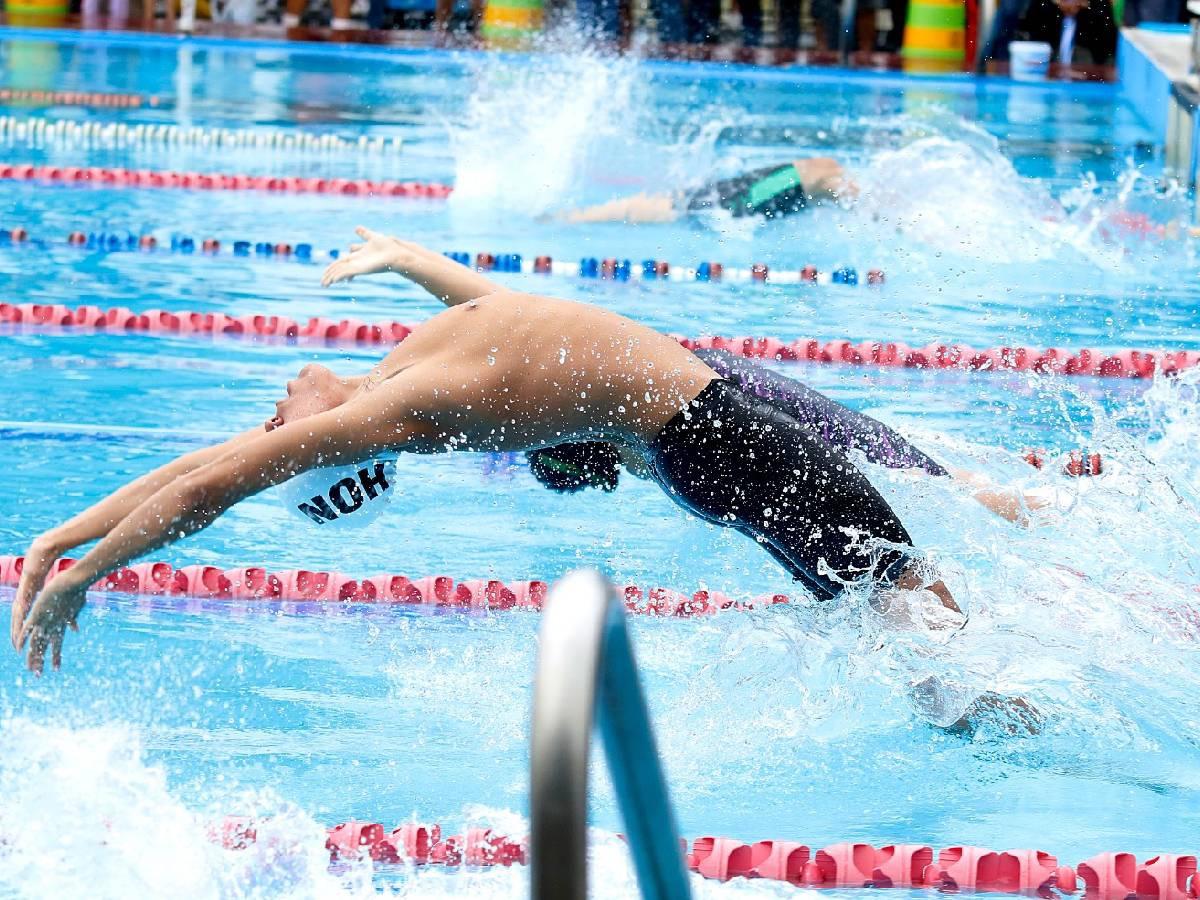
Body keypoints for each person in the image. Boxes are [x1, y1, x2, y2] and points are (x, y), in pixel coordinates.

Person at [11, 227, 956, 673]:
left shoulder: (391, 384)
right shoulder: (399, 407)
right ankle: (1013, 737)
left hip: (703, 441)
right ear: (308, 445)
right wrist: (85, 579)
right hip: (722, 441)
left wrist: (60, 537)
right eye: (276, 429)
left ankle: (987, 716)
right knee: (930, 619)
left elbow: (197, 465)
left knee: (900, 619)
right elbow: (210, 487)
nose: (266, 413)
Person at [529, 348, 1044, 526]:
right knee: (916, 473)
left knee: (922, 476)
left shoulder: (632, 434)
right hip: (725, 381)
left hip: (734, 391)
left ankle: (1041, 510)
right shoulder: (599, 404)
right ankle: (1040, 508)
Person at [559, 157, 853, 225]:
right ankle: (572, 218)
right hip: (774, 185)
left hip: (775, 182)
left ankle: (570, 217)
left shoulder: (825, 172)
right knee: (676, 208)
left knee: (675, 205)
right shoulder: (826, 176)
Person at [1017, 0, 1117, 65]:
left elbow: (1109, 47)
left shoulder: (1099, 11)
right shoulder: (1042, 8)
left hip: (1085, 76)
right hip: (1049, 70)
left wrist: (1085, 6)